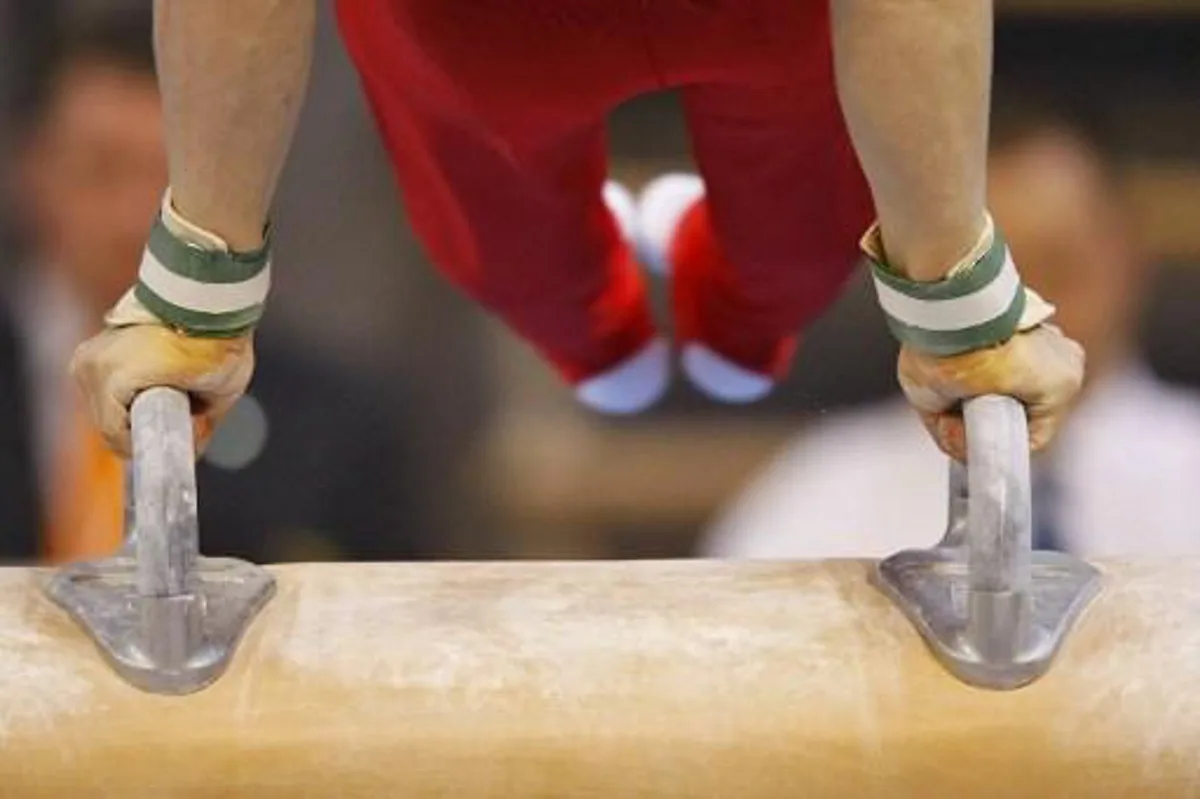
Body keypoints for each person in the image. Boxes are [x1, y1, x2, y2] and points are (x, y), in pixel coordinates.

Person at [70, 0, 1083, 469]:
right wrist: (194, 294)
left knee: (784, 273)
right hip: (488, 30)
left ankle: (707, 306)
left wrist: (196, 294)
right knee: (536, 282)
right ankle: (612, 326)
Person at [0, 11, 431, 564]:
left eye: (161, 183)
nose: (133, 218)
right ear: (33, 171)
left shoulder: (335, 425)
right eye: (101, 171)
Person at [701, 96, 1200, 559]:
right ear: (914, 284)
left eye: (1060, 268)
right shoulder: (821, 493)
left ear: (1130, 258)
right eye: (983, 289)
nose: (1028, 313)